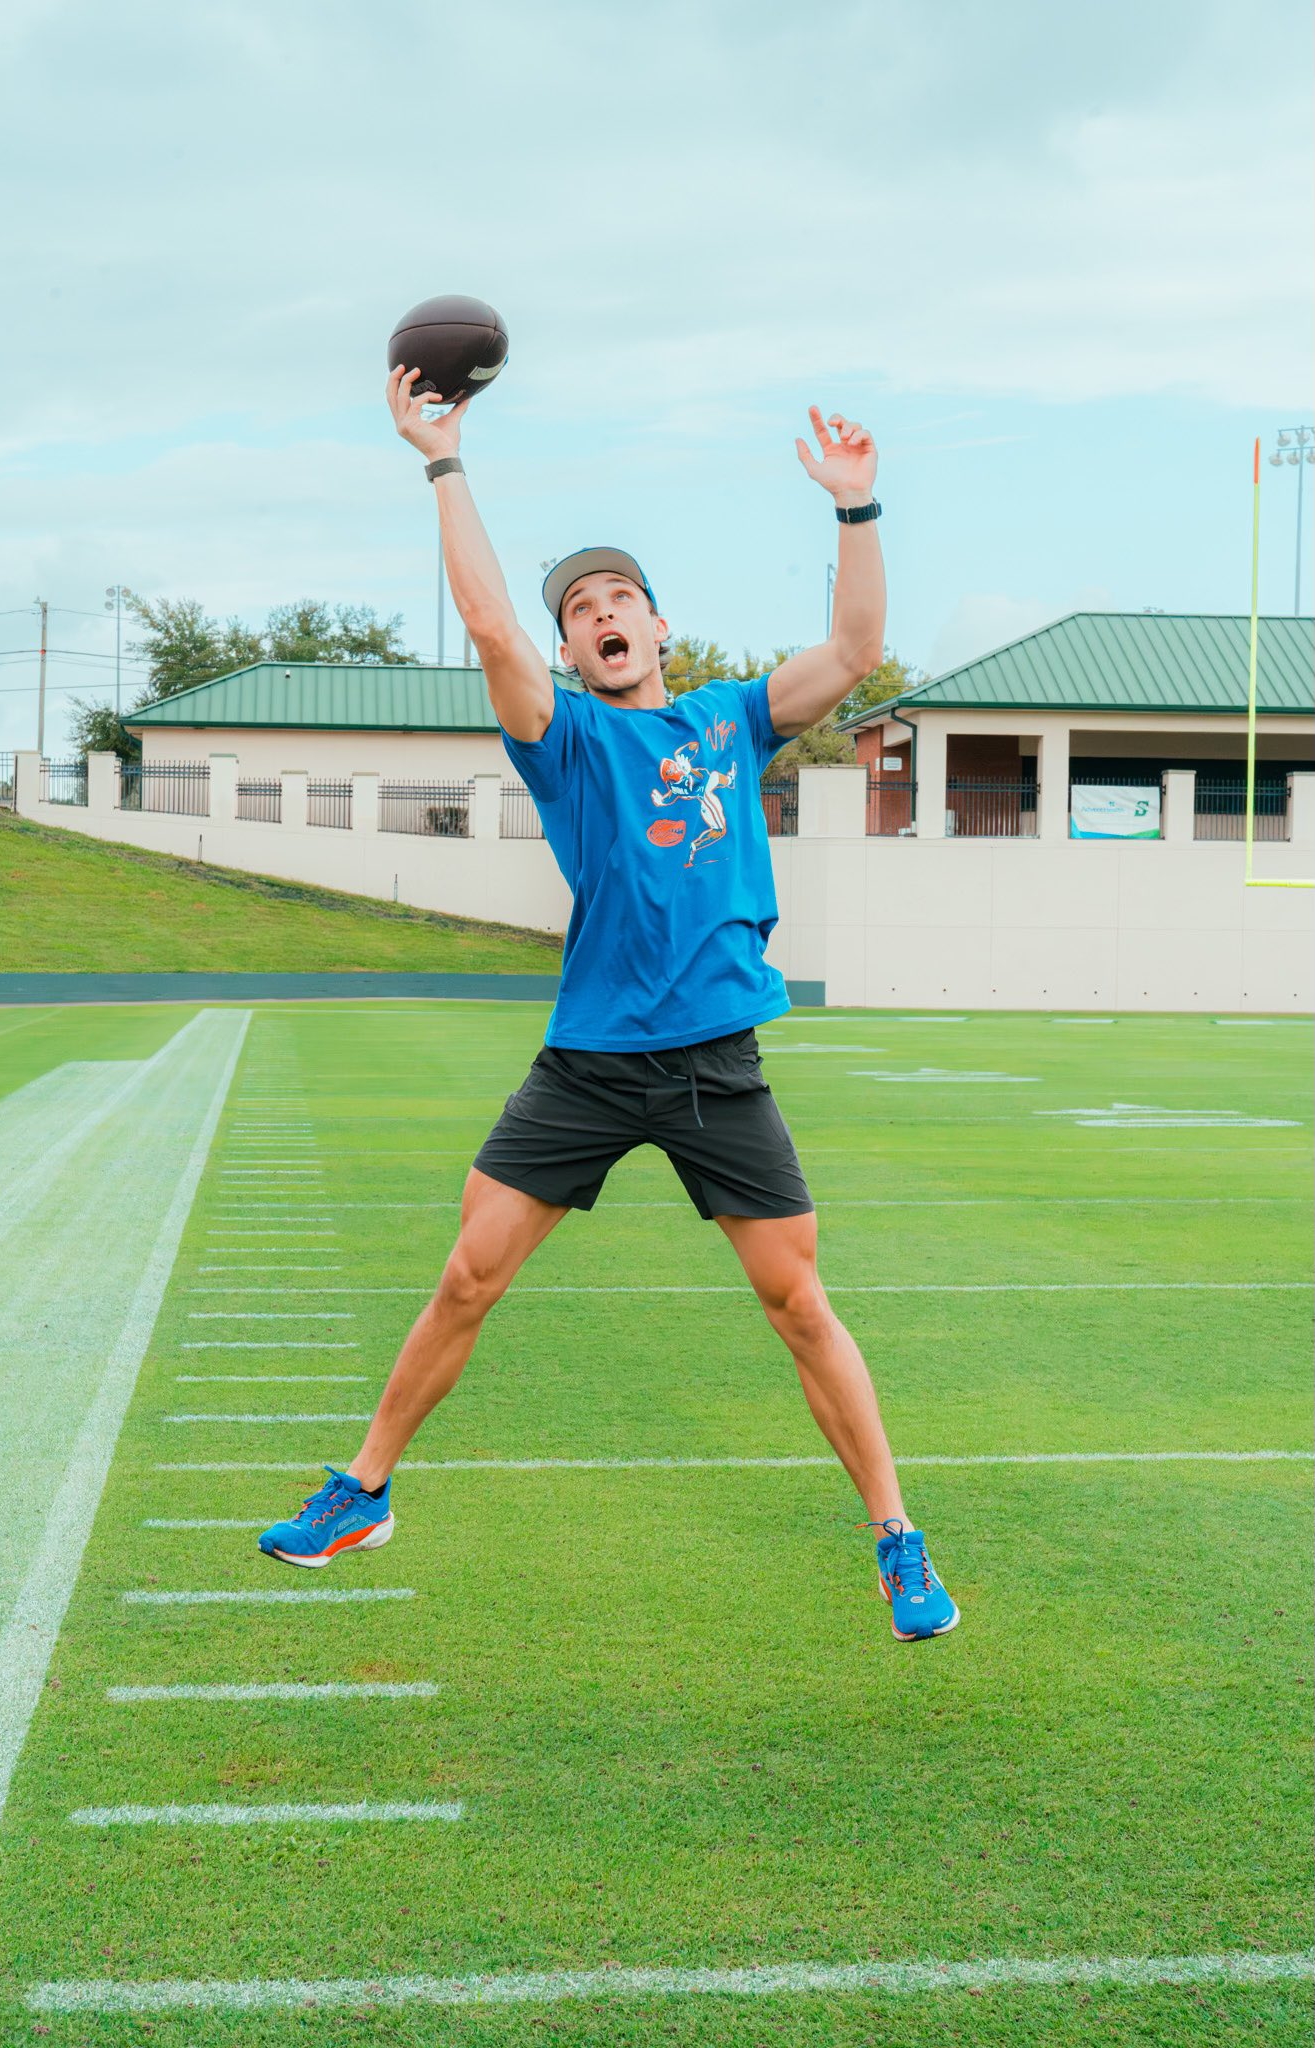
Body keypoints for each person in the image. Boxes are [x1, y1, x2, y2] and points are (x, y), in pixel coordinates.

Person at [256, 367, 959, 1643]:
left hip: (714, 1065)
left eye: (619, 597)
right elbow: (484, 625)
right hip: (587, 1063)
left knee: (798, 1303)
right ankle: (362, 1490)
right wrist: (443, 461)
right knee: (468, 1273)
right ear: (575, 652)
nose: (600, 613)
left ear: (659, 630)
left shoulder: (731, 722)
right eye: (580, 609)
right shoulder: (566, 739)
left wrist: (856, 510)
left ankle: (896, 1539)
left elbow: (855, 653)